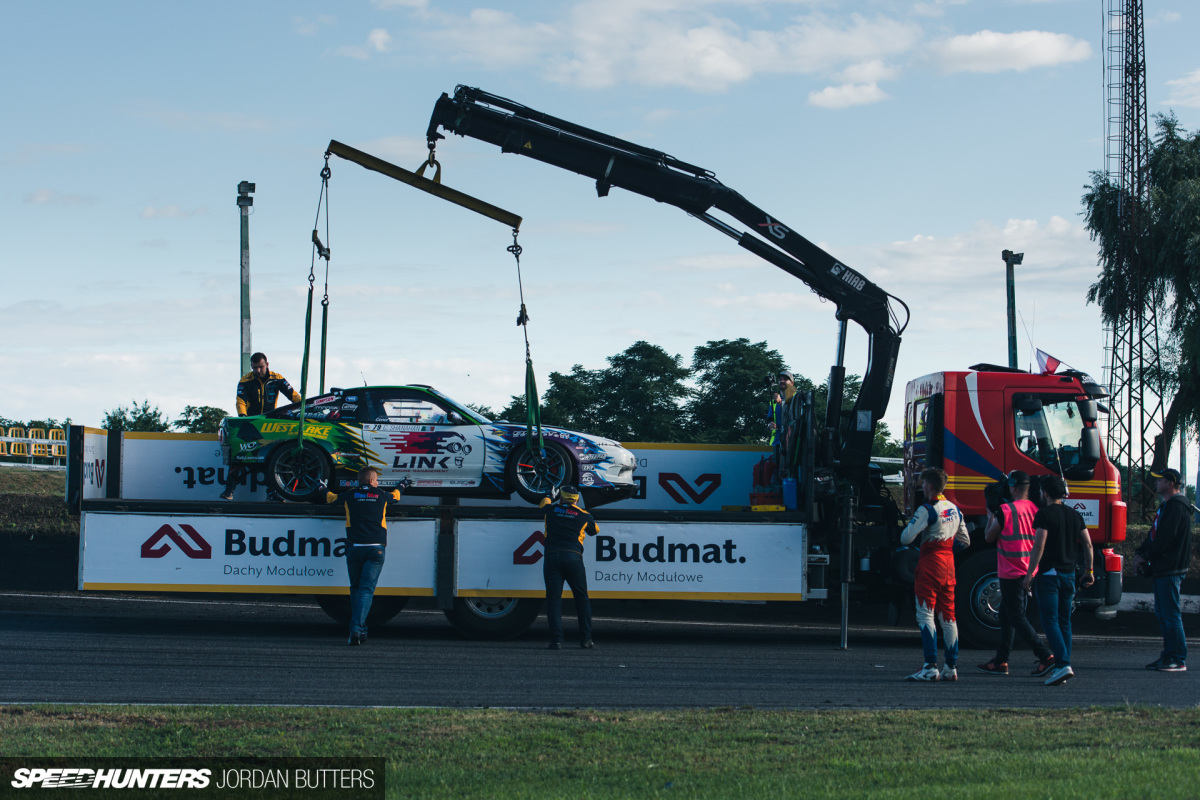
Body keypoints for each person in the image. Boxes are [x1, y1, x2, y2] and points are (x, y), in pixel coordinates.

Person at [977, 470, 1055, 676]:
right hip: (1029, 568)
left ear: (1012, 488)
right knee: (1006, 615)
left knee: (1017, 617)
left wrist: (989, 514)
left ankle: (1046, 655)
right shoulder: (1036, 509)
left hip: (1010, 570)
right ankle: (1001, 661)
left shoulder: (1005, 510)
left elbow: (989, 537)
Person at [321, 466, 409, 645]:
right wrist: (404, 484)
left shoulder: (349, 495)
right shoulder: (382, 495)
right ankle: (357, 628)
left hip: (354, 548)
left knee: (355, 588)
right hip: (376, 549)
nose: (377, 483)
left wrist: (321, 487)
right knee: (367, 591)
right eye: (376, 480)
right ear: (370, 481)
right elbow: (397, 496)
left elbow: (330, 498)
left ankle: (359, 629)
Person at [1022, 475, 1094, 686]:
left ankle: (1062, 665)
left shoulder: (1044, 515)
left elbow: (1039, 546)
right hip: (1069, 575)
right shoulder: (1075, 515)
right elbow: (1088, 545)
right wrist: (1089, 571)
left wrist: (1029, 574)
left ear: (1044, 492)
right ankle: (1065, 664)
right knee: (1065, 622)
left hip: (1049, 576)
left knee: (1050, 621)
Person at [900, 468, 970, 682]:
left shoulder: (927, 509)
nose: (921, 487)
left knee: (925, 615)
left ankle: (930, 666)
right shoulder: (955, 509)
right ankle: (951, 666)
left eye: (922, 484)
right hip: (949, 566)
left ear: (930, 486)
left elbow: (905, 538)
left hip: (930, 565)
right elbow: (966, 541)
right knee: (948, 616)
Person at [1133, 467, 1192, 673]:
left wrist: (1146, 557)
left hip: (1170, 568)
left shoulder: (1176, 507)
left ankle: (1177, 658)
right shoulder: (1167, 506)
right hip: (1165, 568)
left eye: (1159, 480)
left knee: (1169, 614)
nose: (1156, 483)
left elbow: (1164, 538)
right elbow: (1153, 536)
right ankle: (1169, 656)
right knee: (1164, 613)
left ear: (1169, 483)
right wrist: (1141, 552)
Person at [220, 352, 302, 500]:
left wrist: (304, 406)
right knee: (239, 456)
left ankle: (272, 494)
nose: (258, 371)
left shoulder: (278, 378)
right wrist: (243, 417)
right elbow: (241, 401)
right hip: (250, 423)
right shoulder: (245, 380)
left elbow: (294, 396)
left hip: (270, 425)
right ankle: (229, 490)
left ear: (267, 365)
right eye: (254, 368)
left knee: (271, 458)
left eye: (261, 367)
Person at [540, 484, 598, 650]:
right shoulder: (584, 515)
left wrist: (550, 496)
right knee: (582, 599)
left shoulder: (549, 510)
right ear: (577, 499)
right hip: (573, 558)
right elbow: (595, 531)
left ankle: (556, 641)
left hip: (552, 557)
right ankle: (586, 640)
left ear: (561, 497)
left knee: (553, 600)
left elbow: (544, 503)